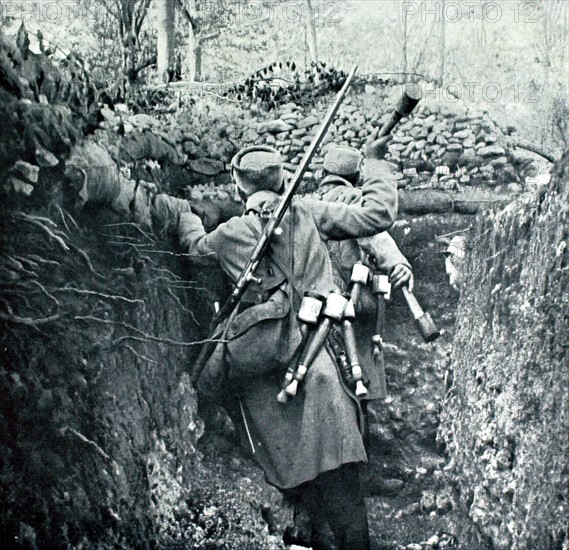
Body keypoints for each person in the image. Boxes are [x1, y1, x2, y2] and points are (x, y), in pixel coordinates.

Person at [178, 136, 397, 550]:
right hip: (319, 355)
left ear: (238, 186)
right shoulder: (308, 212)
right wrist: (375, 161)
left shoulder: (229, 233)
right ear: (281, 182)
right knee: (336, 451)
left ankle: (302, 522)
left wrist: (185, 214)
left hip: (264, 366)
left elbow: (193, 249)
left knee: (271, 434)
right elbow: (378, 213)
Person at [316, 144, 413, 402]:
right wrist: (397, 263)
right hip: (352, 304)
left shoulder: (309, 205)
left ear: (322, 173)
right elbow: (374, 234)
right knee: (357, 384)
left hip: (316, 307)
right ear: (358, 176)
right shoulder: (352, 200)